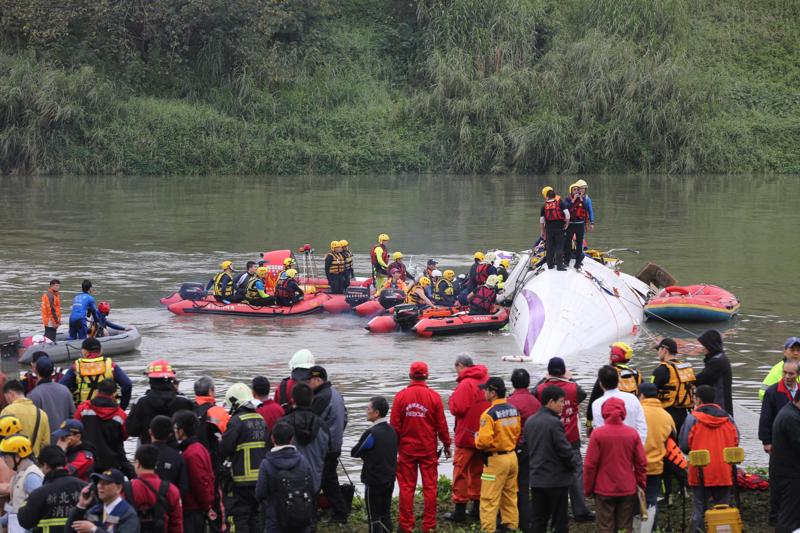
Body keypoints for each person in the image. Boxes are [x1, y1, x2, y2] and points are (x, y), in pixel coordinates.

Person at [391, 361, 451, 533]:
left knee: (406, 487)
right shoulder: (434, 397)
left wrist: (394, 449)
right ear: (427, 376)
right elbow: (442, 424)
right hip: (428, 450)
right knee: (430, 487)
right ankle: (429, 525)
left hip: (407, 450)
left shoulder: (401, 397)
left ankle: (406, 525)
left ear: (410, 375)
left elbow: (394, 426)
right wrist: (447, 444)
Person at [533, 358, 593, 523]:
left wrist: (545, 378)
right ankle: (580, 511)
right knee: (575, 475)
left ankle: (556, 512)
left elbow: (533, 394)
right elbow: (582, 395)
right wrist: (569, 378)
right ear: (564, 371)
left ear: (549, 371)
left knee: (552, 475)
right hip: (571, 438)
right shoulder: (574, 388)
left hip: (549, 439)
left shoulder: (541, 389)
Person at [679, 385, 739, 532]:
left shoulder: (692, 418)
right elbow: (736, 441)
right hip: (724, 470)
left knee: (700, 508)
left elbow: (684, 445)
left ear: (698, 399)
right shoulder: (728, 418)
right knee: (723, 509)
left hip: (700, 470)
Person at [584, 397, 647, 533]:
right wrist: (641, 483)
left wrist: (588, 489)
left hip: (603, 488)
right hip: (627, 487)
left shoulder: (597, 434)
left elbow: (590, 465)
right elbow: (641, 463)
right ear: (623, 412)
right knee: (625, 527)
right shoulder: (632, 433)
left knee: (605, 527)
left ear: (603, 412)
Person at [525, 385, 576, 533]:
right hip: (556, 480)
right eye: (560, 402)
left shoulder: (530, 421)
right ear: (551, 402)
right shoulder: (554, 423)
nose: (562, 405)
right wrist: (572, 466)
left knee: (538, 519)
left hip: (536, 478)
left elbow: (527, 448)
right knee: (559, 520)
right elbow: (565, 451)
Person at [445, 355, 489, 523]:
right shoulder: (486, 378)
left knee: (460, 472)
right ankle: (477, 509)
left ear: (460, 365)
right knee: (479, 471)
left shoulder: (466, 384)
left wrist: (450, 399)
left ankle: (460, 511)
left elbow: (457, 408)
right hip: (484, 434)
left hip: (467, 435)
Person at [221, 383, 270, 533]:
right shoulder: (261, 419)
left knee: (238, 518)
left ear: (235, 403)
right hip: (260, 480)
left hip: (240, 481)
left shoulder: (236, 421)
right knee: (254, 517)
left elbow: (224, 449)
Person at [475, 377, 521, 532]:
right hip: (512, 457)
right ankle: (511, 527)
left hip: (495, 461)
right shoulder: (514, 410)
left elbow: (483, 443)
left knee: (489, 498)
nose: (484, 392)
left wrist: (476, 439)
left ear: (493, 393)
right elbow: (517, 433)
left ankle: (488, 529)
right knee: (510, 496)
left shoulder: (488, 415)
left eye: (486, 390)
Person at [255, 421, 315, 533]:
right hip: (301, 519)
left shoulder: (266, 464)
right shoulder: (303, 461)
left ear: (272, 439)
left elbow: (260, 493)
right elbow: (312, 488)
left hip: (275, 521)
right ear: (292, 439)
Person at [758, 359, 798, 525]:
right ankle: (775, 517)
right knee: (777, 481)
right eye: (785, 373)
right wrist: (766, 441)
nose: (787, 377)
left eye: (791, 374)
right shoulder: (773, 392)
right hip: (778, 441)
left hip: (794, 439)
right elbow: (765, 418)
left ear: (797, 375)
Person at [308, 366, 349, 524]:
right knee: (330, 480)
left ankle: (312, 517)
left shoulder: (321, 397)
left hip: (324, 448)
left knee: (316, 481)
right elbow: (345, 418)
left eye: (309, 380)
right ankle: (340, 513)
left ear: (318, 379)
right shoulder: (336, 393)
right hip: (335, 445)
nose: (308, 383)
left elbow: (311, 422)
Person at [351, 397, 397, 533]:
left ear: (376, 413)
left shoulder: (371, 433)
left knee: (374, 517)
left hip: (374, 481)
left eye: (368, 409)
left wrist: (366, 455)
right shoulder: (392, 431)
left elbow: (355, 452)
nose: (366, 411)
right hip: (390, 478)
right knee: (386, 514)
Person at [279, 383, 331, 498]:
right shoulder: (322, 426)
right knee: (310, 512)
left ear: (292, 399)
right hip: (314, 481)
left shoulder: (283, 423)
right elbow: (327, 453)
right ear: (312, 399)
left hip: (286, 482)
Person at [17, 445, 85, 533]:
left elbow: (25, 521)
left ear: (45, 465)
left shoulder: (40, 493)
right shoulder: (84, 487)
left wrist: (26, 502)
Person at [74, 378, 133, 477]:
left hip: (87, 460)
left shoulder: (83, 408)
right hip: (111, 463)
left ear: (97, 391)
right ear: (114, 394)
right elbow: (125, 435)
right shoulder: (120, 414)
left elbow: (75, 429)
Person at [127, 359, 193, 444]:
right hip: (176, 452)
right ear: (171, 378)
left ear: (150, 379)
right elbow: (192, 430)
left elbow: (131, 430)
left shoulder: (141, 402)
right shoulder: (184, 401)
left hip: (147, 452)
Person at [507, 368, 541, 530]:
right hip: (533, 449)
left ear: (513, 383)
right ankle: (527, 522)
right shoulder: (536, 402)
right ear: (528, 382)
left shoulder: (510, 402)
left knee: (510, 487)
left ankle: (512, 521)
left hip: (514, 449)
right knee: (526, 485)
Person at [639, 382, 676, 528]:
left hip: (637, 467)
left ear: (641, 395)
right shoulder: (666, 416)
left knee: (634, 501)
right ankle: (652, 529)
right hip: (656, 466)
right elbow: (673, 439)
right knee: (652, 500)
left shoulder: (637, 412)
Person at [60, 337, 133, 410]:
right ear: (100, 351)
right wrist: (122, 408)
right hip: (109, 410)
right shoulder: (110, 365)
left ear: (84, 351)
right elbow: (127, 384)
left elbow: (61, 387)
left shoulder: (76, 367)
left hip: (84, 411)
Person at [173, 409, 215, 532]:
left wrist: (206, 506)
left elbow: (199, 483)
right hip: (200, 507)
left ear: (181, 431)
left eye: (175, 428)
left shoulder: (190, 454)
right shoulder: (199, 448)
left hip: (193, 509)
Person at [126, 444, 183, 533]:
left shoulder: (126, 488)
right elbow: (176, 524)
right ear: (156, 464)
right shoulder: (171, 490)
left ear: (137, 463)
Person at [587, 344, 643, 431]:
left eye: (610, 353)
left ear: (614, 356)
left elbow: (594, 397)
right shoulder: (636, 374)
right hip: (631, 424)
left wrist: (589, 422)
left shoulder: (607, 374)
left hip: (612, 421)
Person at [66, 468, 139, 533]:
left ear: (118, 488)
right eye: (99, 482)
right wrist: (81, 506)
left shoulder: (127, 513)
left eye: (106, 483)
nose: (100, 486)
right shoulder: (94, 511)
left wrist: (94, 530)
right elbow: (70, 530)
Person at [590, 365, 647, 443]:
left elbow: (600, 430)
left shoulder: (597, 404)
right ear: (618, 381)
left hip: (610, 450)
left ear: (601, 383)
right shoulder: (633, 398)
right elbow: (642, 426)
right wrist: (639, 448)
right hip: (632, 446)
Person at [770, 387, 800, 533]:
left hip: (785, 472)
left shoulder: (789, 410)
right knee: (789, 517)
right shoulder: (791, 418)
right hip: (790, 475)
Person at [0, 435, 43, 532]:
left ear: (18, 456)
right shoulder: (19, 473)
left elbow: (37, 508)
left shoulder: (31, 477)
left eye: (6, 455)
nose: (4, 459)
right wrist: (2, 521)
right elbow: (16, 507)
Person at [652, 337, 696, 431]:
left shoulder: (661, 370)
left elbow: (650, 392)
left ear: (664, 350)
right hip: (685, 414)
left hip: (667, 413)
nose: (658, 353)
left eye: (658, 350)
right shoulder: (686, 368)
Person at [27, 354, 74, 437]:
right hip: (64, 440)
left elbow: (31, 423)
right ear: (52, 371)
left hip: (46, 443)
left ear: (36, 371)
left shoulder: (33, 395)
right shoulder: (65, 390)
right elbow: (72, 415)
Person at [1, 380, 50, 457]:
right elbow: (46, 444)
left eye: (6, 397)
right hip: (34, 462)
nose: (7, 401)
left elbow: (3, 439)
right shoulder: (42, 414)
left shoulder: (8, 411)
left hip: (13, 462)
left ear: (11, 394)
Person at [695, 329, 734, 415]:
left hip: (719, 408)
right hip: (722, 406)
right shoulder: (720, 358)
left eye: (704, 345)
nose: (702, 348)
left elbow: (700, 380)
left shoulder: (717, 361)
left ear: (710, 345)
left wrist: (685, 376)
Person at [149, 415, 189, 494]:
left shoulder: (142, 453)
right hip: (169, 501)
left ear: (150, 431)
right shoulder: (177, 456)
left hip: (145, 502)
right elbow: (184, 487)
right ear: (170, 434)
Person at [540, 187, 570, 271]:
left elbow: (542, 220)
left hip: (549, 229)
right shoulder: (560, 203)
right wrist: (567, 224)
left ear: (547, 196)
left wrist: (542, 231)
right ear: (554, 195)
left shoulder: (544, 205)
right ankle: (559, 266)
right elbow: (567, 214)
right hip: (559, 228)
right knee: (559, 247)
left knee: (549, 247)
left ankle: (550, 265)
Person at [563, 182, 590, 270]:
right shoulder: (567, 200)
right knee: (568, 244)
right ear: (571, 191)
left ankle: (578, 263)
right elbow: (566, 208)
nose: (576, 191)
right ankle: (566, 261)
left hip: (580, 225)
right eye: (574, 190)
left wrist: (581, 199)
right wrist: (573, 200)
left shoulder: (583, 199)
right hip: (570, 225)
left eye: (577, 190)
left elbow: (586, 208)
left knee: (579, 244)